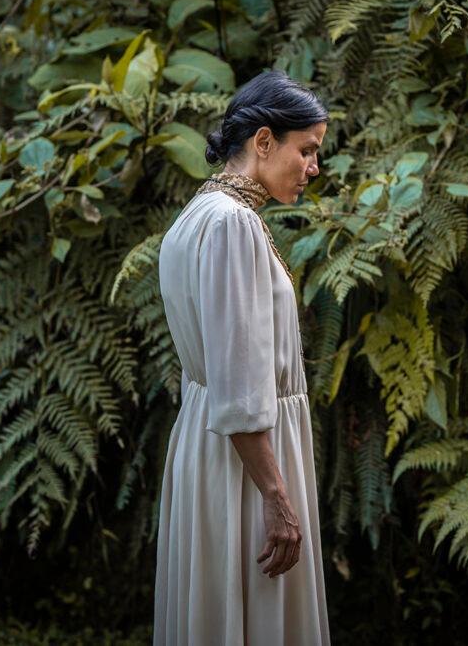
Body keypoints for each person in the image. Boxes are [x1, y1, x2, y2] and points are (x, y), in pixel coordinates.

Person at [154, 70, 331, 645]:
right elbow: (239, 389)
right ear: (262, 142)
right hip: (245, 471)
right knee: (255, 620)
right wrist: (277, 499)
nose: (313, 168)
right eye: (306, 150)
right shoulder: (232, 225)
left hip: (211, 453)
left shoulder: (197, 216)